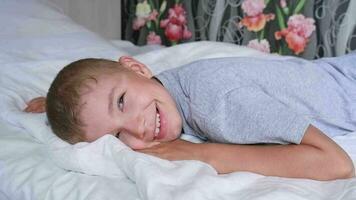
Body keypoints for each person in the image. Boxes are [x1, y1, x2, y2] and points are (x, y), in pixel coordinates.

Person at [24, 54, 356, 181]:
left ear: (138, 68)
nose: (138, 127)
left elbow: (336, 164)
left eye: (121, 102)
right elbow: (102, 93)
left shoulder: (219, 102)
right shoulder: (163, 88)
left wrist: (200, 153)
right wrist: (56, 106)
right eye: (116, 137)